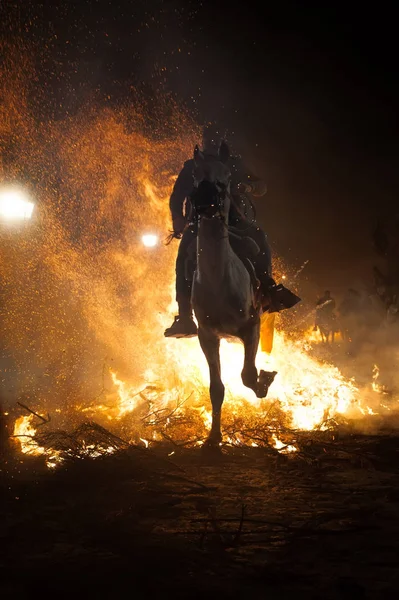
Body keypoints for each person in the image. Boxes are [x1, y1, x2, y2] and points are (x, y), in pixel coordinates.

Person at [164, 124, 274, 338]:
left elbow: (260, 186)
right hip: (200, 222)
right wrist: (178, 217)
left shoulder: (235, 164)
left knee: (260, 238)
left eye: (216, 138)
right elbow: (177, 196)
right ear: (203, 140)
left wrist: (249, 188)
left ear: (222, 141)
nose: (212, 142)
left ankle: (270, 290)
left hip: (234, 221)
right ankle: (185, 316)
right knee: (183, 257)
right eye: (208, 138)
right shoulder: (192, 167)